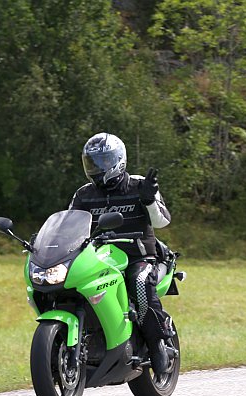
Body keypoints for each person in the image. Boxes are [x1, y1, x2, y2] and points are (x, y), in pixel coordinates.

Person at [69, 132, 175, 374]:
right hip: (99, 257)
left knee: (139, 283)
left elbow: (162, 222)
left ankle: (158, 343)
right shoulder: (84, 194)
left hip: (138, 256)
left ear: (119, 161)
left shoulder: (140, 185)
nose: (97, 168)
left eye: (103, 162)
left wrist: (149, 200)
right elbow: (70, 225)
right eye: (92, 162)